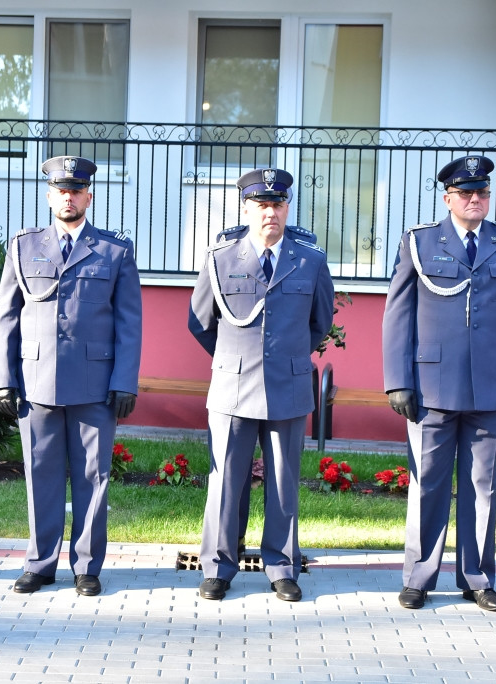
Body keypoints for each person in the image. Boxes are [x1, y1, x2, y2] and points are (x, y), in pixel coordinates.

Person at [382, 155, 496, 612]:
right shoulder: (420, 242)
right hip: (431, 384)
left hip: (493, 385)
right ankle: (419, 576)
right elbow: (398, 312)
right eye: (467, 193)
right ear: (448, 197)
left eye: (483, 193)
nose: (476, 199)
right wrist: (398, 379)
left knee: (483, 487)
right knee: (427, 483)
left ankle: (477, 578)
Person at [0, 155, 142, 597]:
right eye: (61, 190)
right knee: (41, 473)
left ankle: (87, 566)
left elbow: (129, 321)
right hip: (36, 380)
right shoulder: (24, 246)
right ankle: (40, 563)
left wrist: (124, 381)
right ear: (49, 195)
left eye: (76, 190)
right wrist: (3, 377)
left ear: (89, 197)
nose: (68, 197)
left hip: (95, 385)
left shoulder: (114, 250)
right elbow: (7, 316)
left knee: (94, 475)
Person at [188, 168, 335, 602]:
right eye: (262, 204)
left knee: (284, 482)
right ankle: (218, 566)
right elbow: (200, 322)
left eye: (278, 204)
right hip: (232, 388)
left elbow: (320, 322)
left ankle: (282, 566)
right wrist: (233, 359)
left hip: (287, 387)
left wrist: (287, 357)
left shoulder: (309, 260)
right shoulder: (221, 258)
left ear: (287, 208)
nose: (270, 211)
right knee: (224, 484)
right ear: (246, 208)